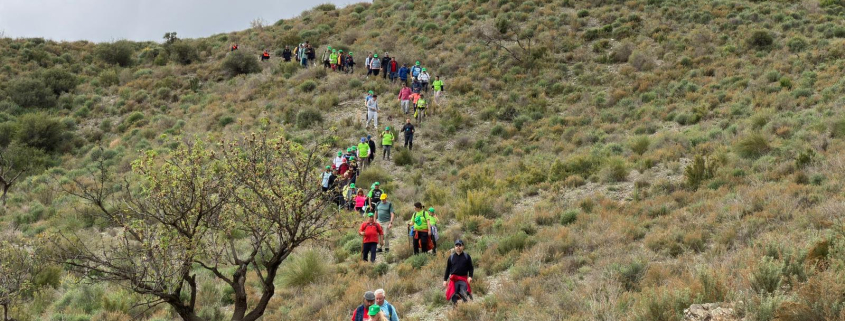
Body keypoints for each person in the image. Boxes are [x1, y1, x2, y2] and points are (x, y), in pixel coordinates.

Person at [443, 239, 474, 305]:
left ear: (463, 246)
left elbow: (471, 268)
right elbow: (448, 269)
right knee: (454, 295)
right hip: (454, 280)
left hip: (463, 279)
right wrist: (445, 280)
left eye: (460, 245)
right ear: (454, 247)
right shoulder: (451, 257)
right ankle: (455, 309)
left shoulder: (467, 256)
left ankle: (464, 308)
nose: (458, 247)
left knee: (464, 294)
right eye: (456, 245)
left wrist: (470, 276)